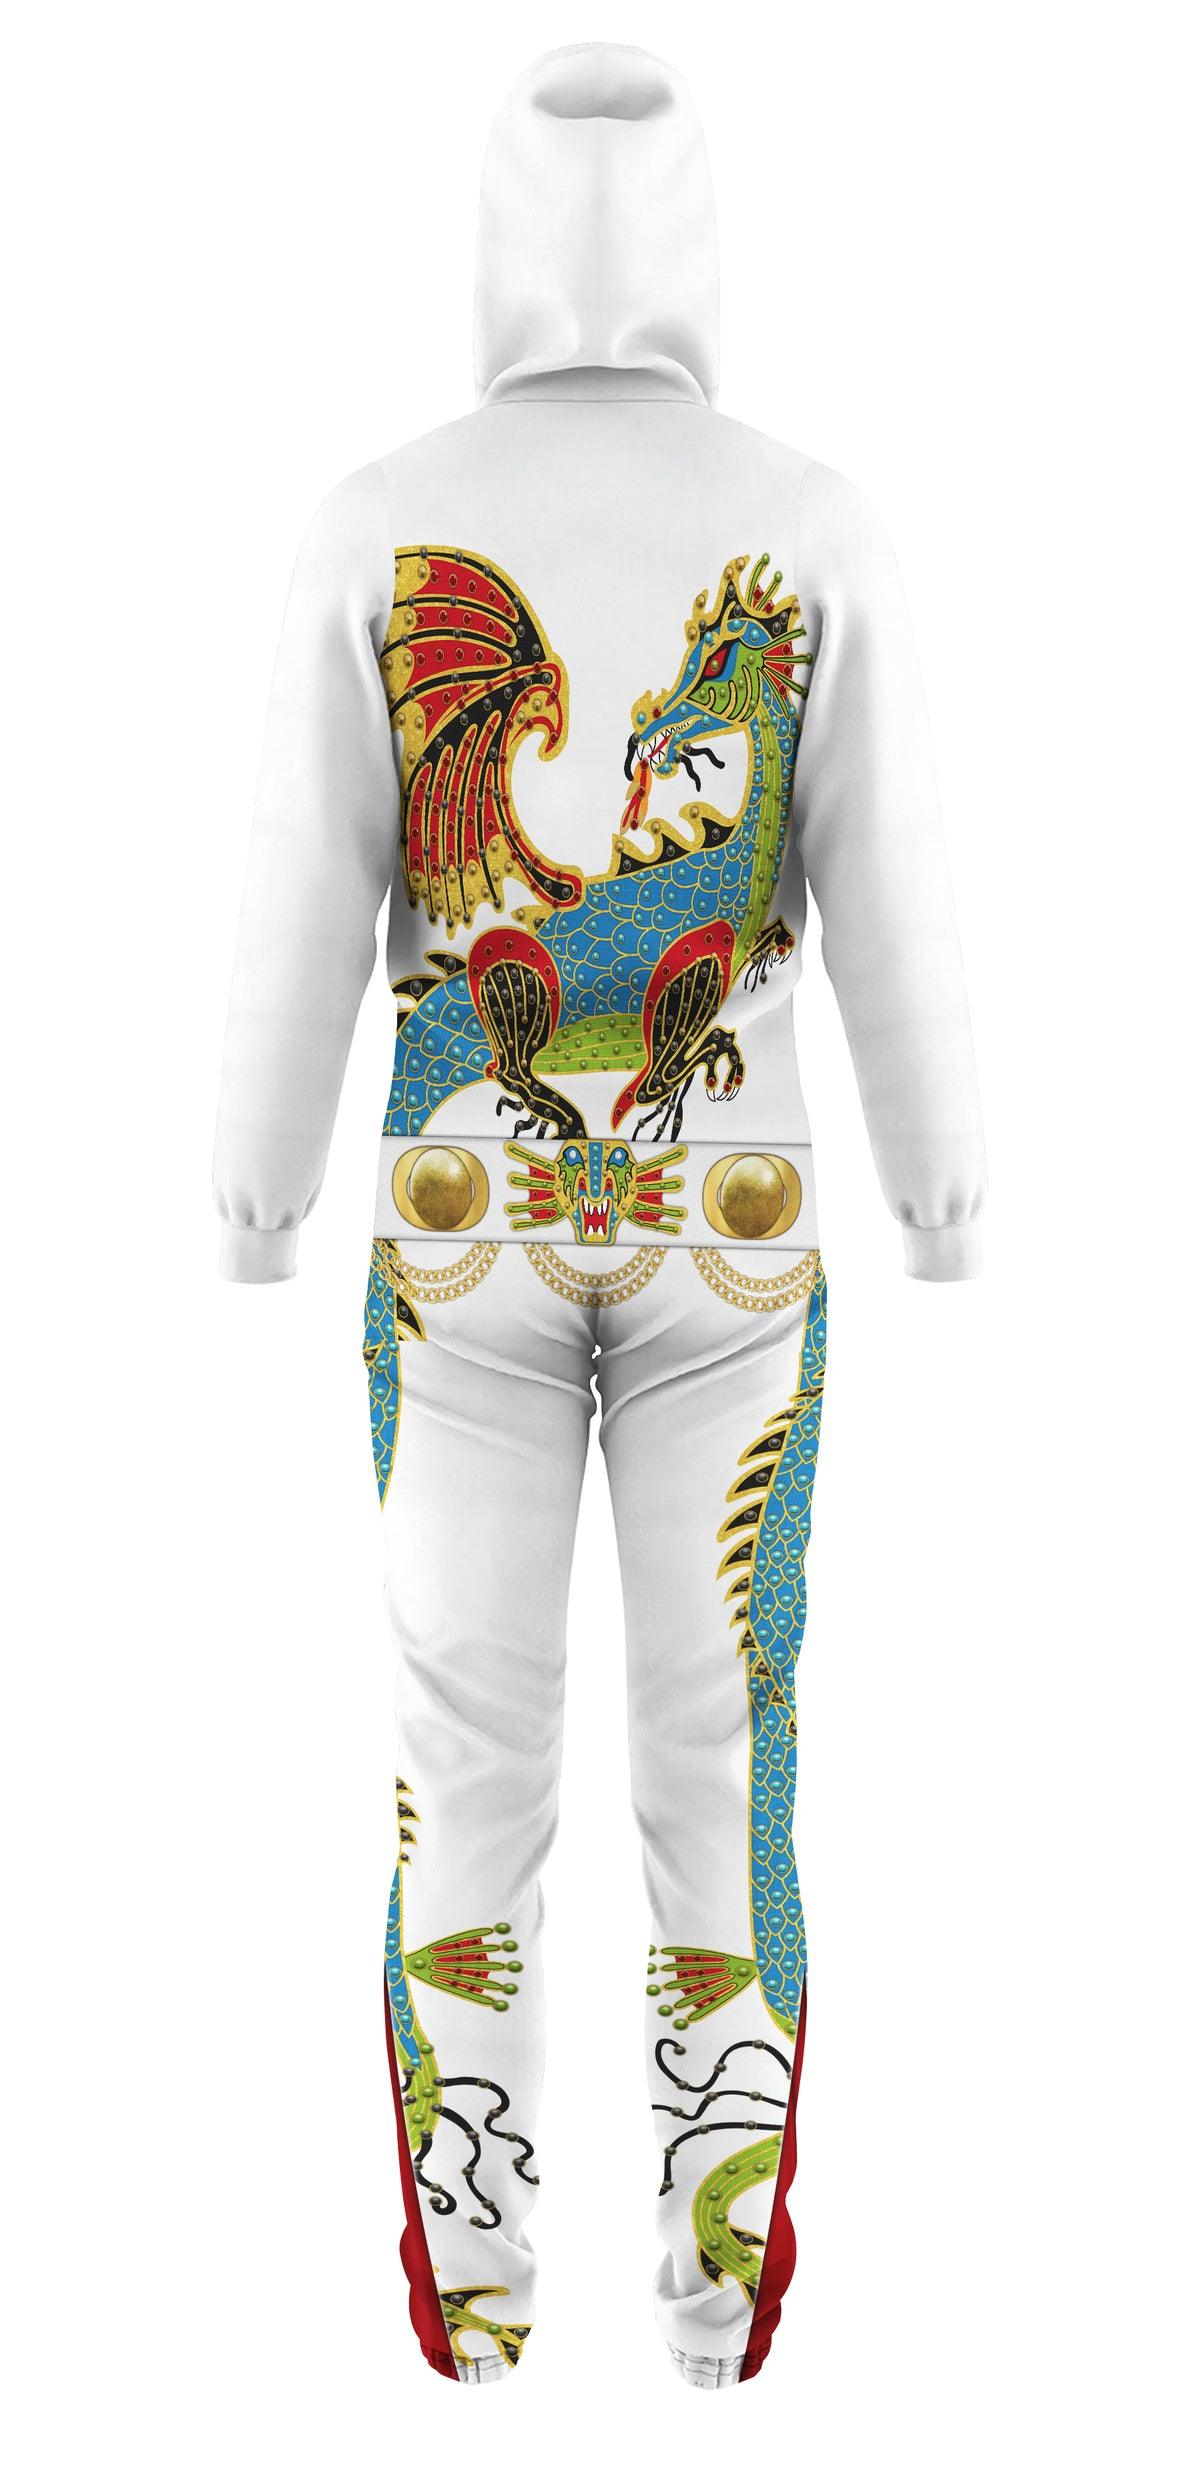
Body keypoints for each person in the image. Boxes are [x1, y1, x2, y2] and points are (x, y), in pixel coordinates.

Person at [214, 43, 985, 2390]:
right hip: (737, 1211)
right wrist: (945, 1192)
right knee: (723, 1740)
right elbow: (896, 898)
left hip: (457, 1214)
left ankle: (479, 2294)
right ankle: (715, 2292)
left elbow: (299, 894)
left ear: (488, 242)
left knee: (464, 1747)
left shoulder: (378, 521)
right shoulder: (817, 523)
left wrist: (255, 1194)